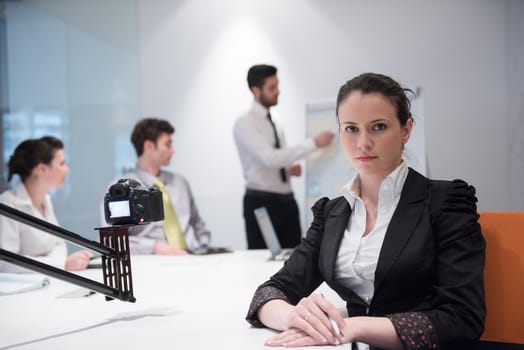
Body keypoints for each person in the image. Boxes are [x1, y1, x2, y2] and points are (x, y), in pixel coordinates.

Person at [246, 73, 486, 349]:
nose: (362, 143)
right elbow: (268, 293)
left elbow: (463, 317)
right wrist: (296, 316)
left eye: (378, 127)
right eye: (351, 129)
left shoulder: (445, 202)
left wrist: (354, 327)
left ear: (406, 130)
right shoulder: (332, 213)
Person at [234, 64, 335, 250]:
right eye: (271, 88)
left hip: (287, 201)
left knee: (294, 258)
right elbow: (270, 158)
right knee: (262, 260)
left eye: (277, 86)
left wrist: (288, 169)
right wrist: (314, 143)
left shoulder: (275, 119)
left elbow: (276, 159)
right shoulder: (244, 123)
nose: (278, 92)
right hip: (261, 204)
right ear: (255, 91)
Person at [100, 117, 211, 255]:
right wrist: (154, 247)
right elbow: (113, 240)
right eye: (168, 144)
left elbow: (198, 224)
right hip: (153, 262)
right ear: (149, 146)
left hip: (194, 257)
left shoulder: (180, 182)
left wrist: (204, 247)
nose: (173, 150)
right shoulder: (119, 190)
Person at [0, 136, 91, 273]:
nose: (67, 170)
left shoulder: (46, 200)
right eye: (61, 163)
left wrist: (45, 260)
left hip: (47, 282)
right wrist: (60, 263)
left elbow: (60, 245)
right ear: (41, 169)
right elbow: (7, 264)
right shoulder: (8, 204)